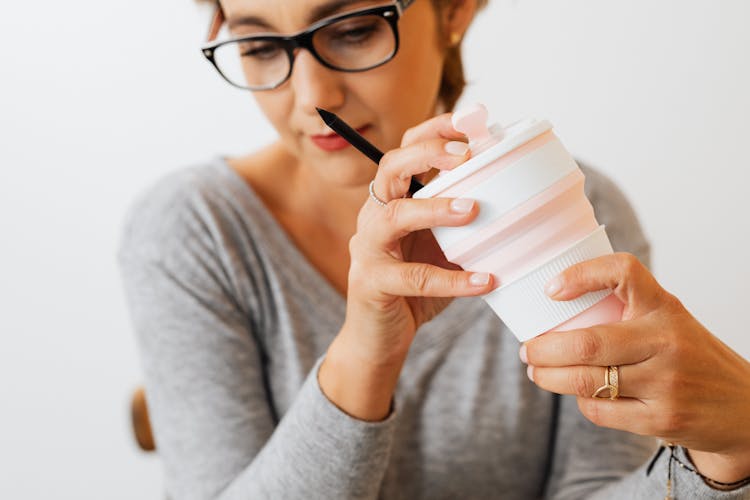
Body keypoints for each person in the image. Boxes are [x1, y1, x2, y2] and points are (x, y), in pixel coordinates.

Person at [117, 0, 750, 498]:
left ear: (455, 10)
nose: (312, 99)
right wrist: (365, 352)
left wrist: (730, 451)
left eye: (354, 29)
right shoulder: (194, 233)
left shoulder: (579, 210)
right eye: (258, 46)